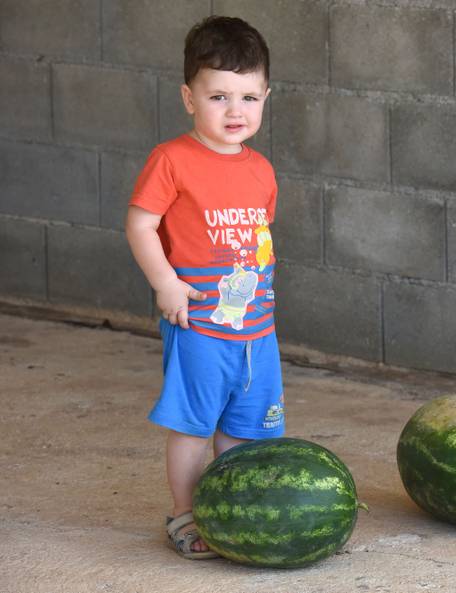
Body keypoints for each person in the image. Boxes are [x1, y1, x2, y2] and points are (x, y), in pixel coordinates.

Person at [125, 15, 283, 560]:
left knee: (246, 431)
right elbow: (141, 224)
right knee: (194, 426)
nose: (235, 111)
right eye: (218, 96)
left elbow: (258, 242)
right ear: (189, 98)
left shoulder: (261, 169)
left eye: (248, 97)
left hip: (258, 331)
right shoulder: (172, 160)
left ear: (265, 97)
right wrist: (165, 283)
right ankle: (186, 516)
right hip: (200, 326)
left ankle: (233, 513)